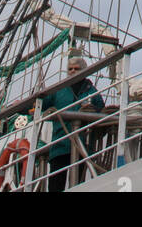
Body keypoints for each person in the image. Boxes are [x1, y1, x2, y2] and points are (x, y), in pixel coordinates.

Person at [40, 52, 105, 193]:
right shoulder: (59, 90)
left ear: (84, 71)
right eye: (70, 69)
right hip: (60, 146)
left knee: (79, 186)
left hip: (83, 146)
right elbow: (40, 103)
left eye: (76, 68)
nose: (73, 71)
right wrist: (25, 107)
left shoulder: (92, 92)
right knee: (56, 186)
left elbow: (101, 111)